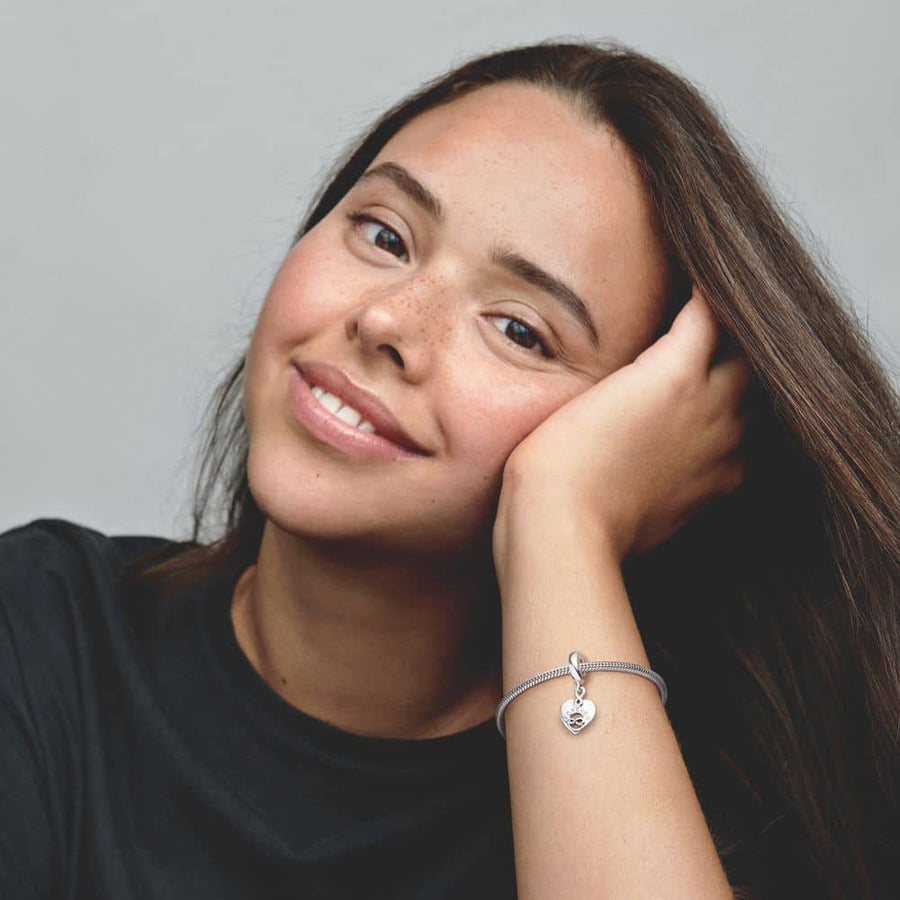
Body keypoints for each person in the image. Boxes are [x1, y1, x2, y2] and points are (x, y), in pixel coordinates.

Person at [1, 39, 897, 899]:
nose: (387, 321)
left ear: (652, 436)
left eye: (518, 329)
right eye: (384, 235)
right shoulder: (37, 635)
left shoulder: (718, 816)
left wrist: (562, 521)